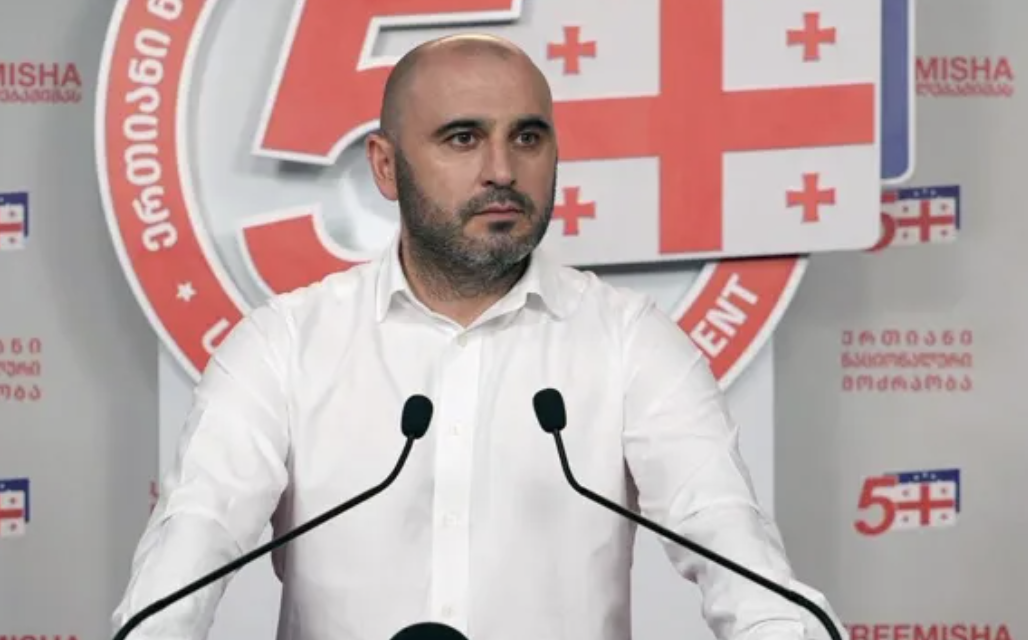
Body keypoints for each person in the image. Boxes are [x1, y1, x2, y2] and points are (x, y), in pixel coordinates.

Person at [112, 34, 844, 640]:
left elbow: (728, 539)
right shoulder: (283, 346)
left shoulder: (632, 342)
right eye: (462, 138)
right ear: (385, 166)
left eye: (527, 137)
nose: (502, 171)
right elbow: (195, 539)